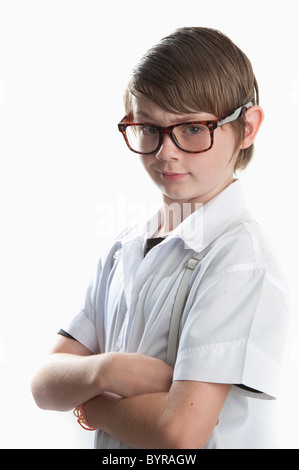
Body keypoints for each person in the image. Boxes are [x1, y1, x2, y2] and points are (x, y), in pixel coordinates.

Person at [31, 27, 289, 449]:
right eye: (149, 127)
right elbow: (44, 383)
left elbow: (180, 432)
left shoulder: (240, 258)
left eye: (191, 128)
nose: (165, 152)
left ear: (247, 127)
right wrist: (106, 370)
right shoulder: (123, 249)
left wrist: (89, 405)